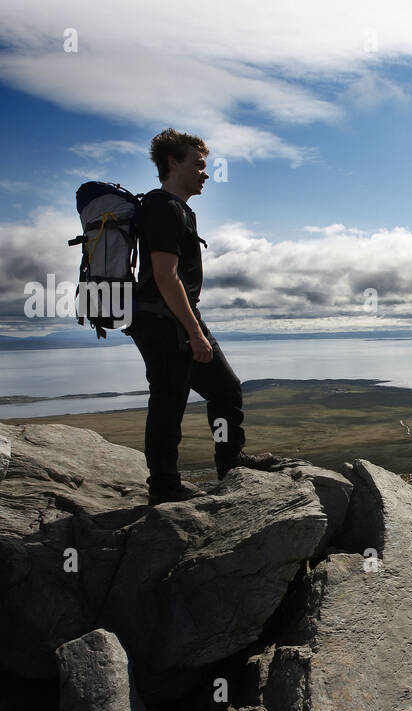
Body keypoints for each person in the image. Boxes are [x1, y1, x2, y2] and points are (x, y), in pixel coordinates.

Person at [126, 128, 277, 506]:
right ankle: (164, 486)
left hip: (175, 317)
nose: (205, 173)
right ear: (173, 162)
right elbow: (164, 275)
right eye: (198, 164)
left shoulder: (175, 209)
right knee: (168, 402)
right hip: (164, 321)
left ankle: (231, 461)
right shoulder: (162, 207)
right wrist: (195, 333)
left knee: (226, 390)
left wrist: (192, 328)